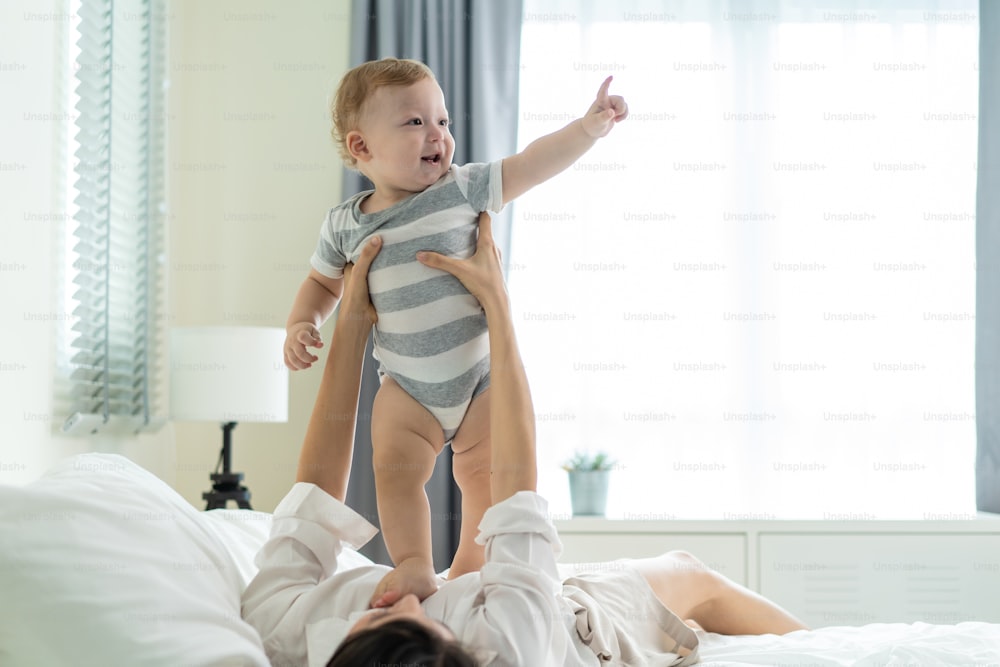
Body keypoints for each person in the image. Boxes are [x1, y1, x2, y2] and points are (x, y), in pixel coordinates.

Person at [242, 212, 808, 667]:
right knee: (691, 576)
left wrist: (353, 323)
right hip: (579, 633)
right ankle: (826, 649)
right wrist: (496, 306)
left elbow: (314, 493)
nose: (416, 595)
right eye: (423, 618)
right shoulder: (513, 647)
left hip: (495, 595)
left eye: (384, 614)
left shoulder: (283, 630)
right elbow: (516, 487)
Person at [281, 57, 629, 606]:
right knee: (394, 474)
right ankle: (415, 565)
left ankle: (470, 561)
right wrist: (303, 322)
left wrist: (587, 129)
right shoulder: (345, 224)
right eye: (414, 122)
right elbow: (322, 283)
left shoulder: (464, 188)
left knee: (485, 477)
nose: (437, 135)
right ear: (362, 147)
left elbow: (533, 162)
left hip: (479, 377)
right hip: (406, 388)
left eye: (441, 120)